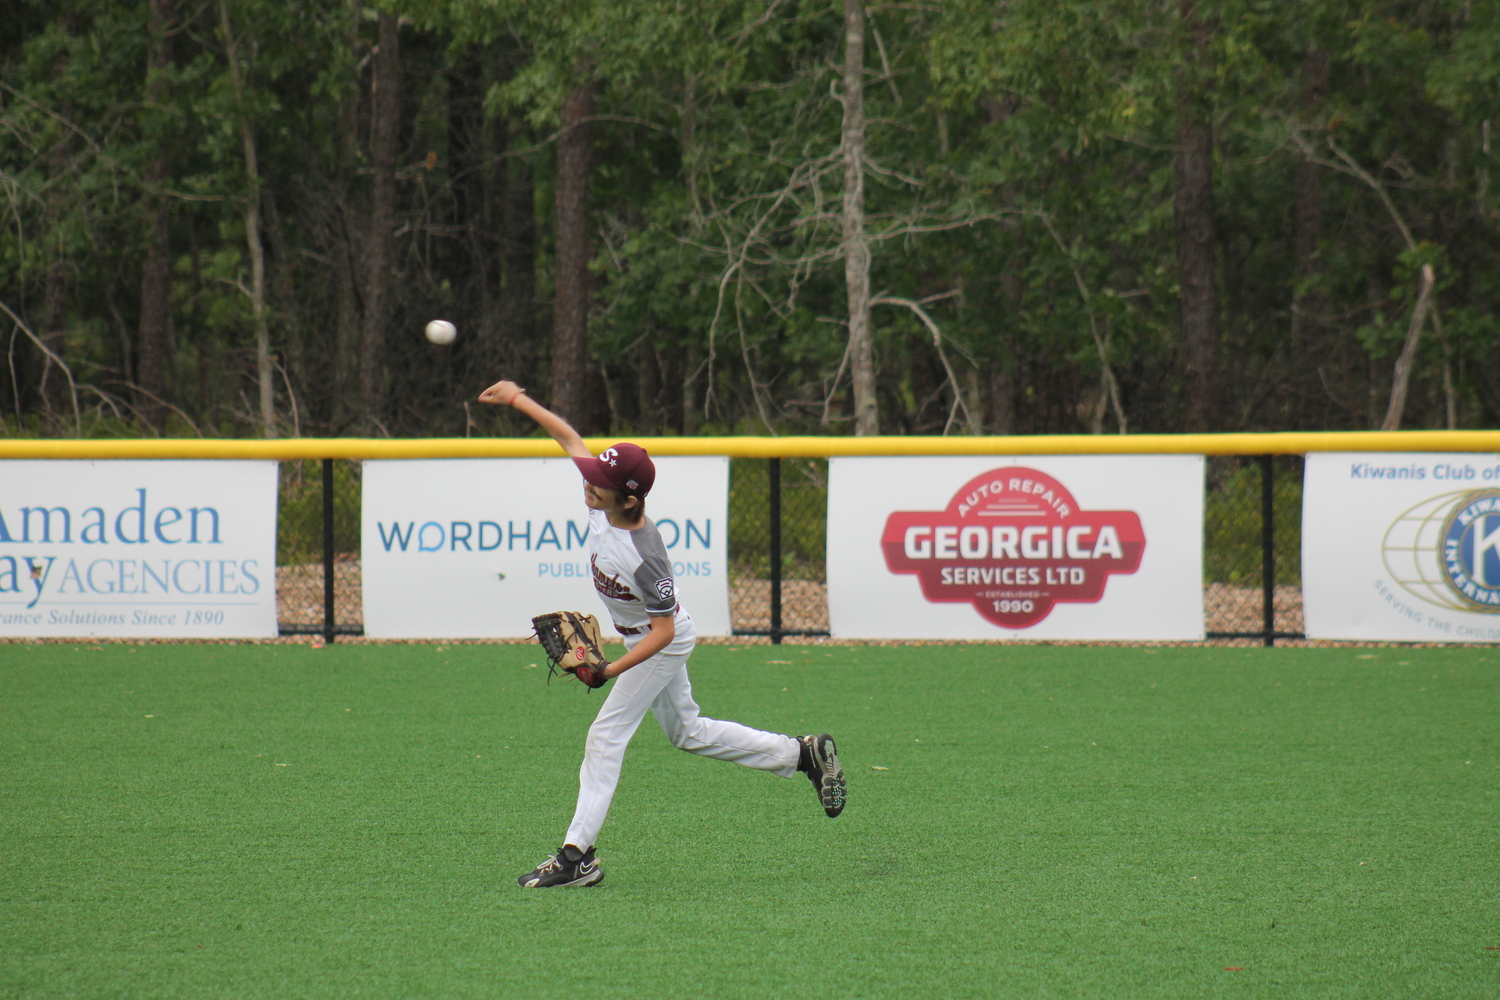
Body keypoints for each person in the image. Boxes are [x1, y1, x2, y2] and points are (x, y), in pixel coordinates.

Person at [478, 379, 846, 888]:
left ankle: (575, 857)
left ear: (629, 498)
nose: (588, 483)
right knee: (687, 733)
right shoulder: (603, 503)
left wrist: (609, 670)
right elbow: (571, 440)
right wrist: (519, 400)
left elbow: (665, 630)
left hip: (659, 642)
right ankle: (800, 754)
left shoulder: (647, 557)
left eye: (600, 482)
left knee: (605, 737)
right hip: (643, 638)